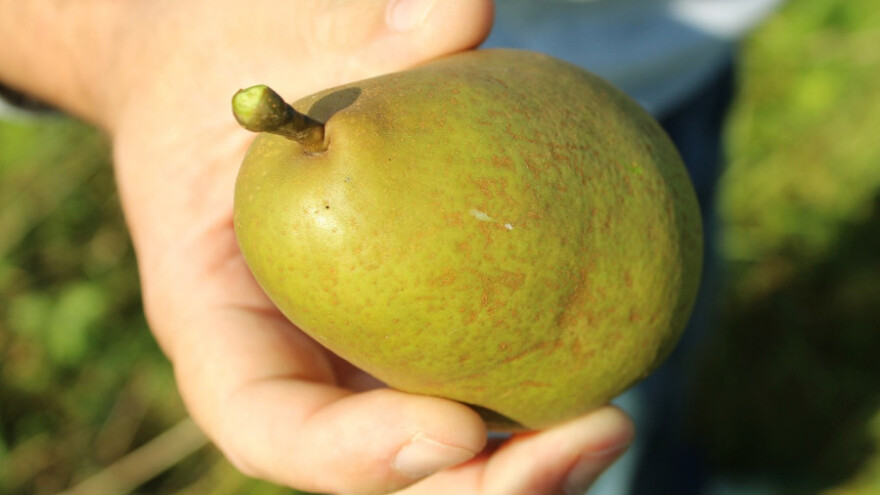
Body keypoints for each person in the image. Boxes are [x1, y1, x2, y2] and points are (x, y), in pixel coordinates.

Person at [0, 1, 779, 494]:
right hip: (581, 122)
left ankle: (676, 471)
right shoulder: (305, 205)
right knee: (603, 439)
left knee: (667, 365)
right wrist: (125, 44)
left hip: (656, 90)